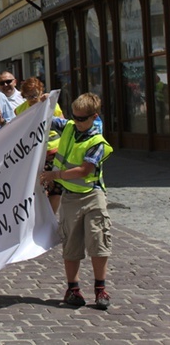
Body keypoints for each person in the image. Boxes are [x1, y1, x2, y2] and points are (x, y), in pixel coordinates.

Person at [39, 93, 113, 310]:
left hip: (92, 195)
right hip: (70, 198)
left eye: (82, 119)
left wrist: (56, 176)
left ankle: (100, 289)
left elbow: (84, 170)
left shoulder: (97, 141)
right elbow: (47, 120)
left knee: (98, 241)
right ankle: (72, 289)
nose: (77, 122)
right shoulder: (70, 126)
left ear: (94, 117)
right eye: (75, 117)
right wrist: (43, 104)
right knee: (71, 244)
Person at [15, 77, 64, 213]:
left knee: (55, 188)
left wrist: (49, 102)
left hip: (52, 150)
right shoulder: (20, 110)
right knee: (37, 187)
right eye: (28, 96)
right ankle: (41, 217)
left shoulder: (51, 103)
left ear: (41, 90)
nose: (32, 98)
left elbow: (63, 124)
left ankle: (51, 217)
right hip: (34, 152)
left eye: (35, 94)